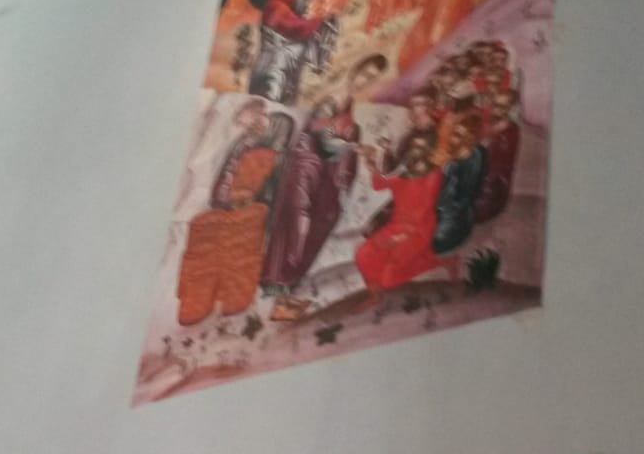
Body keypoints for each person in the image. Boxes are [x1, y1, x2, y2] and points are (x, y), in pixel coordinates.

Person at [259, 55, 388, 321]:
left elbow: (340, 151)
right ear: (356, 70)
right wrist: (355, 147)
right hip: (306, 170)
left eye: (372, 78)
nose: (366, 81)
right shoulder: (332, 101)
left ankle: (287, 291)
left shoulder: (349, 108)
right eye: (365, 74)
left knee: (320, 223)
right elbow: (324, 139)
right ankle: (277, 287)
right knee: (298, 227)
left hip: (323, 179)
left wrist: (354, 153)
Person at [177, 100, 292, 325]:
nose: (243, 126)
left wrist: (249, 199)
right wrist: (222, 200)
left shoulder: (276, 137)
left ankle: (232, 300)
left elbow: (270, 178)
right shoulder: (243, 143)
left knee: (239, 246)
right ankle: (197, 300)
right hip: (227, 207)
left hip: (255, 207)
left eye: (247, 119)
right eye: (242, 122)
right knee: (202, 233)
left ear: (260, 113)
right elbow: (225, 178)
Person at [249, 0, 346, 106]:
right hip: (276, 59)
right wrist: (317, 19)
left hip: (293, 59)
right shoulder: (276, 3)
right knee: (272, 97)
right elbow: (294, 27)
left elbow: (306, 20)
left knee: (288, 98)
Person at [353, 139, 446, 308]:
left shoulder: (433, 175)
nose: (415, 155)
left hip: (419, 230)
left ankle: (439, 262)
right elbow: (379, 184)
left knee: (388, 280)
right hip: (396, 227)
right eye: (413, 150)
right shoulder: (403, 173)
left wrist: (401, 237)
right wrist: (371, 162)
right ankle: (374, 296)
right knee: (362, 255)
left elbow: (424, 211)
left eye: (421, 150)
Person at [431, 116, 489, 254]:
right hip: (446, 208)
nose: (453, 139)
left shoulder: (470, 159)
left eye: (458, 136)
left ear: (470, 138)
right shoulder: (455, 156)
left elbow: (462, 198)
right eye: (454, 133)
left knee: (433, 242)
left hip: (454, 215)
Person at [474, 89, 522, 223]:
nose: (498, 109)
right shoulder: (488, 124)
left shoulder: (509, 133)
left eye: (503, 106)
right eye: (495, 104)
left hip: (490, 192)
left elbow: (495, 172)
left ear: (511, 108)